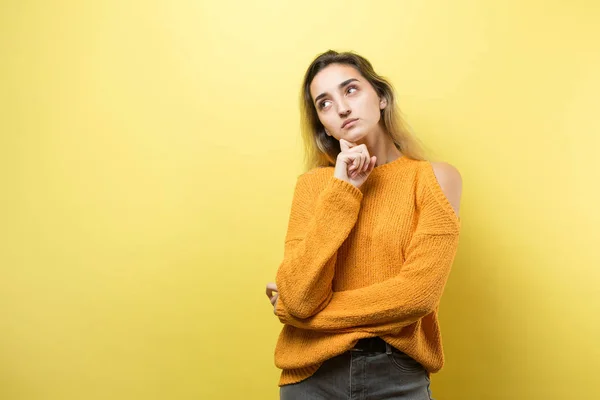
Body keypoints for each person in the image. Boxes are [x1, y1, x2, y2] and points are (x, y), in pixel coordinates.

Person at [265, 50, 462, 400]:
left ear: (381, 97)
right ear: (322, 124)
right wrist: (343, 190)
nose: (340, 108)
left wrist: (299, 316)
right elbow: (299, 293)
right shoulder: (313, 186)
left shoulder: (434, 179)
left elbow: (417, 295)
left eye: (350, 90)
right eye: (324, 103)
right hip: (311, 379)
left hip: (396, 377)